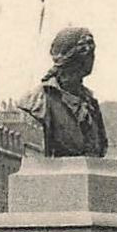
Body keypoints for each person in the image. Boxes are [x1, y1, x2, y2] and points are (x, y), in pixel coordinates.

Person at [20, 26, 108, 157]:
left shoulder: (91, 104)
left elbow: (101, 147)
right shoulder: (39, 100)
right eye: (90, 54)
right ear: (76, 58)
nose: (93, 58)